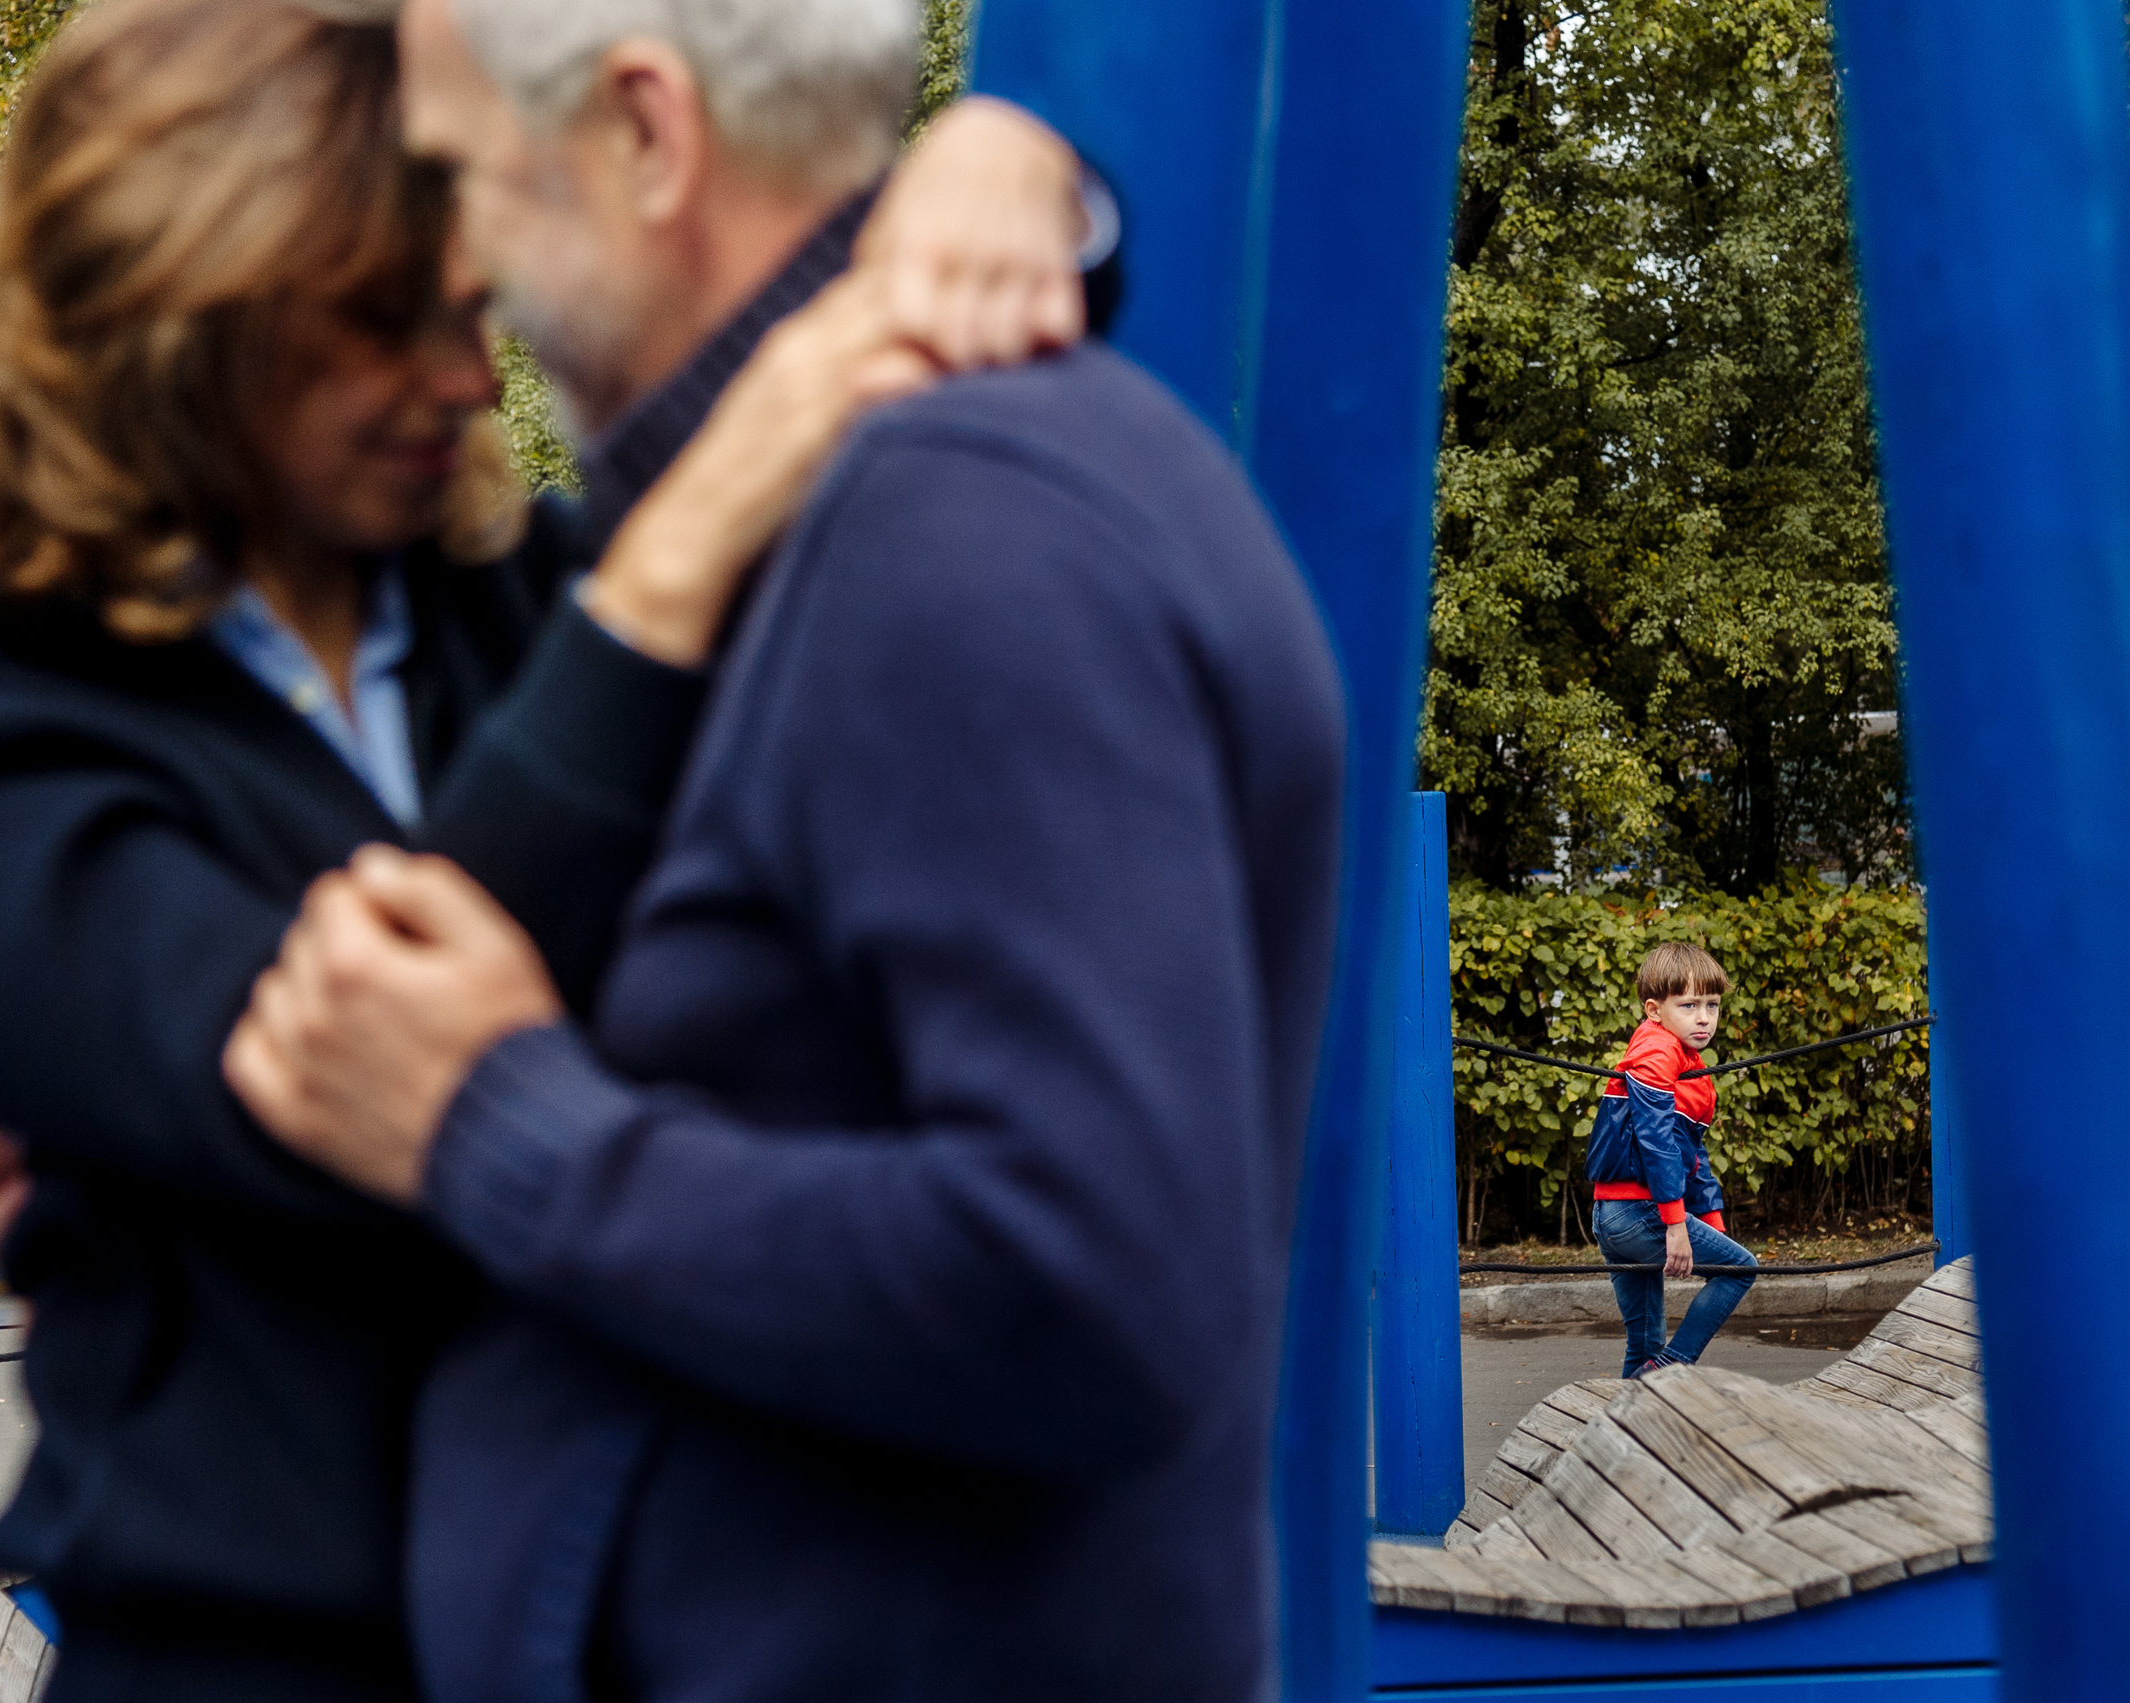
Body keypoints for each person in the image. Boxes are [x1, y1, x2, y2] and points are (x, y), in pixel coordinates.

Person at [0, 0, 1101, 1696]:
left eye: (467, 298)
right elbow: (336, 1071)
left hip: (648, 1622)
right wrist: (675, 568)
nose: (458, 374)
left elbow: (909, 430)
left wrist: (1015, 174)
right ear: (170, 319)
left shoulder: (534, 609)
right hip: (262, 1660)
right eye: (382, 322)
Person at [217, 0, 1350, 1698]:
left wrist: (503, 1129)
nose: (455, 262)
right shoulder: (842, 510)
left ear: (648, 135)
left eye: (461, 176)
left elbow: (1093, 1275)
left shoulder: (951, 526)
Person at [1584, 941, 1759, 1377]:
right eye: (1688, 1005)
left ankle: (1627, 1434)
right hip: (1638, 1211)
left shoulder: (1685, 1060)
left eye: (1712, 1005)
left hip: (1611, 1212)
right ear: (1654, 1009)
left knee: (1643, 1343)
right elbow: (1656, 1142)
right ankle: (1673, 1367)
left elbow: (1693, 1151)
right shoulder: (1658, 1052)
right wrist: (1677, 1225)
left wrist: (1712, 1224)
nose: (1703, 1017)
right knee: (1740, 1270)